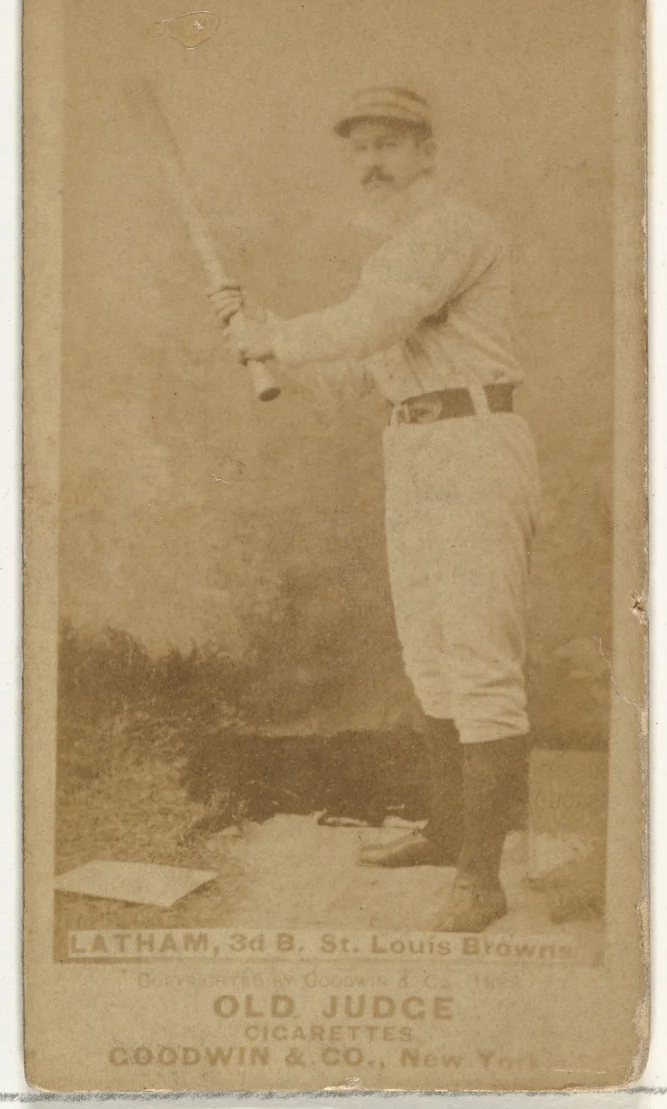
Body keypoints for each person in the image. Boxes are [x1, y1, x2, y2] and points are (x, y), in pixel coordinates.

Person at [208, 86, 541, 933]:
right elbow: (355, 370)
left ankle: (481, 879)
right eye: (356, 149)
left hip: (474, 443)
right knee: (427, 654)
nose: (370, 162)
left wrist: (278, 335)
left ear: (427, 152)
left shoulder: (450, 231)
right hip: (414, 447)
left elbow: (374, 320)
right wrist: (258, 327)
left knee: (478, 659)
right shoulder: (394, 255)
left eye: (388, 144)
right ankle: (445, 832)